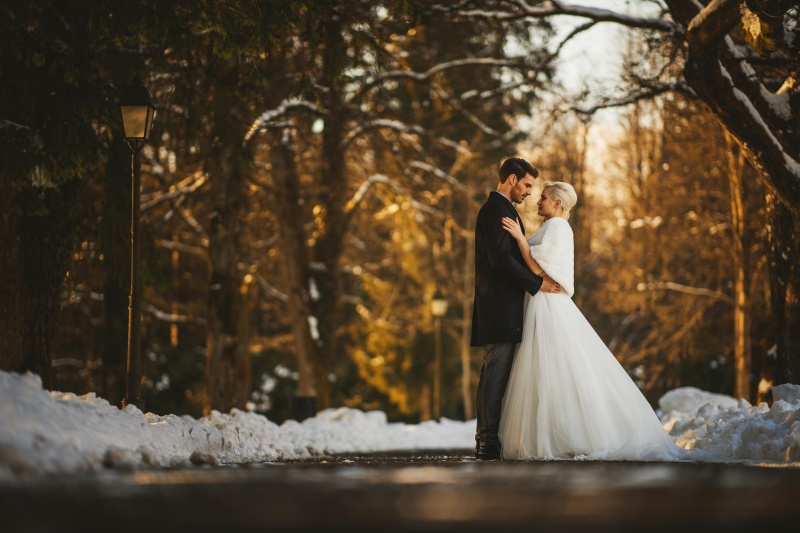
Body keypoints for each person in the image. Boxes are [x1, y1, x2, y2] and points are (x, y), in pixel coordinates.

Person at [497, 181, 685, 461]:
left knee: (553, 368)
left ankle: (566, 435)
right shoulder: (552, 227)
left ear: (558, 203)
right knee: (549, 370)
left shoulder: (558, 228)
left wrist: (521, 240)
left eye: (544, 198)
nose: (539, 202)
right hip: (541, 302)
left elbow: (537, 268)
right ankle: (552, 434)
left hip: (547, 305)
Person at [470, 157, 561, 461]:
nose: (529, 192)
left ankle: (490, 439)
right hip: (498, 306)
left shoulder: (503, 209)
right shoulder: (495, 209)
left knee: (497, 374)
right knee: (494, 375)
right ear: (511, 179)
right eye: (526, 185)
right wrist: (537, 285)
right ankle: (487, 442)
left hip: (505, 305)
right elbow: (500, 260)